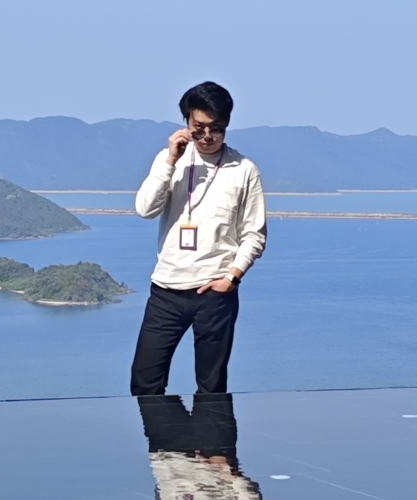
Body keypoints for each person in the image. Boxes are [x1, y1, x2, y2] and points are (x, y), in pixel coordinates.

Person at [131, 81, 267, 395]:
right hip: (167, 289)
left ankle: (210, 432)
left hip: (215, 293)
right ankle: (168, 432)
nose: (207, 136)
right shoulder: (170, 160)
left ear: (227, 124)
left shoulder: (244, 170)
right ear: (187, 123)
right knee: (145, 380)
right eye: (199, 128)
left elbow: (254, 233)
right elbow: (145, 209)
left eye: (215, 128)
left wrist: (232, 278)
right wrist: (170, 161)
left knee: (211, 386)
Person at [137, 393, 263, 499]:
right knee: (211, 392)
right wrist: (230, 476)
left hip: (168, 454)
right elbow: (251, 497)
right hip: (213, 454)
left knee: (149, 393)